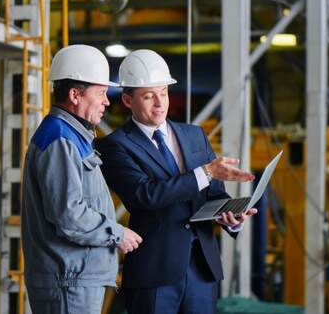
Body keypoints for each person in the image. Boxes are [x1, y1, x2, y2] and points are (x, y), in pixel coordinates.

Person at [97, 49, 257, 314]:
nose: (160, 103)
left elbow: (214, 194)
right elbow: (144, 195)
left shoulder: (194, 136)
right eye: (149, 96)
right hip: (155, 272)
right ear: (127, 100)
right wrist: (205, 172)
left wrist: (230, 216)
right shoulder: (115, 146)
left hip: (202, 270)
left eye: (164, 93)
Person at [21, 44, 142, 314]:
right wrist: (117, 233)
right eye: (100, 93)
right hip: (69, 280)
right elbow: (69, 215)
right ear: (75, 95)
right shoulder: (60, 140)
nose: (106, 101)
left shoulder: (73, 137)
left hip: (74, 279)